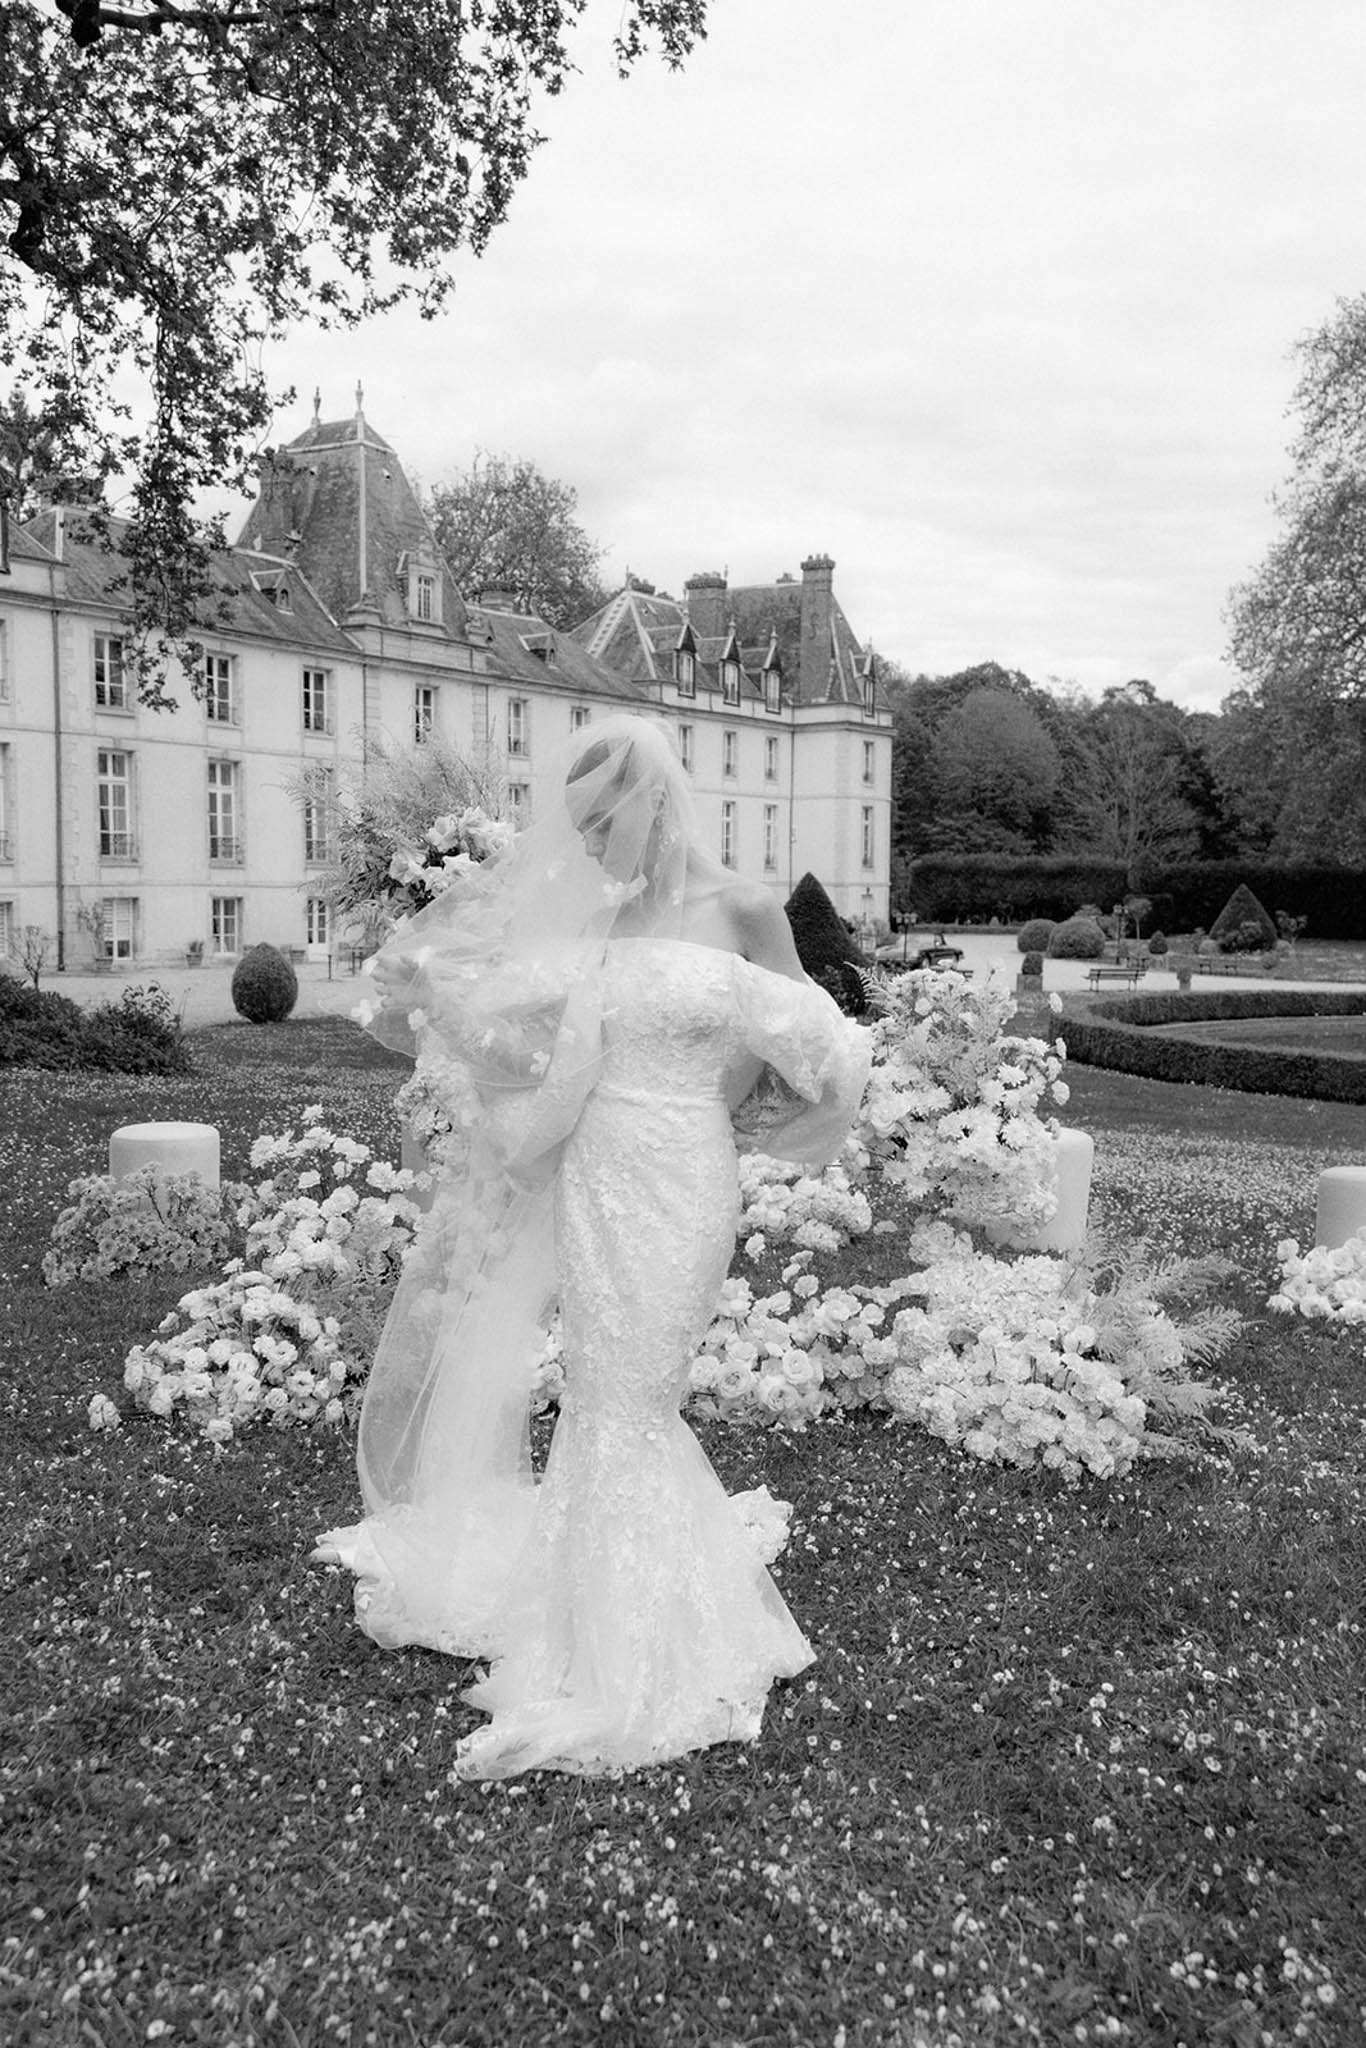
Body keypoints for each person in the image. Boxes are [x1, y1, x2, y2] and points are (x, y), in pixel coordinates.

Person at [314, 713, 871, 1778]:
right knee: (602, 1385)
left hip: (683, 1173)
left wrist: (740, 1111)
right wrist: (438, 999)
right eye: (578, 825)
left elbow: (813, 1044)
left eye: (600, 822)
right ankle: (593, 1613)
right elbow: (526, 1043)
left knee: (632, 1389)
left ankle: (633, 1641)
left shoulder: (747, 908)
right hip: (595, 1170)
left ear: (651, 802)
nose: (590, 845)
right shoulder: (603, 926)